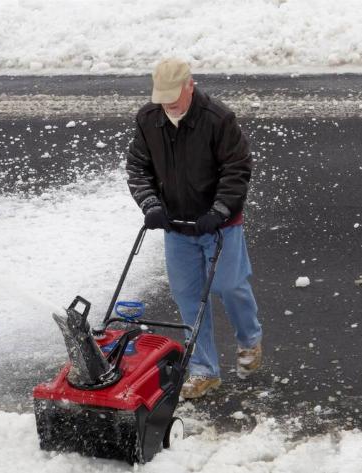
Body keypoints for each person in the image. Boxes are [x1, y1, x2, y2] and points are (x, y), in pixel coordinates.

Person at [125, 58, 263, 399]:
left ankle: (249, 340)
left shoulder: (218, 119)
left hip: (220, 225)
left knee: (230, 287)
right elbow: (138, 167)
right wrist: (151, 205)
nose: (168, 102)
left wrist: (219, 210)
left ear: (190, 85)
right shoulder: (149, 119)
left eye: (174, 94)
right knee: (188, 299)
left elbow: (237, 167)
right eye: (163, 95)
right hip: (177, 227)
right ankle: (204, 370)